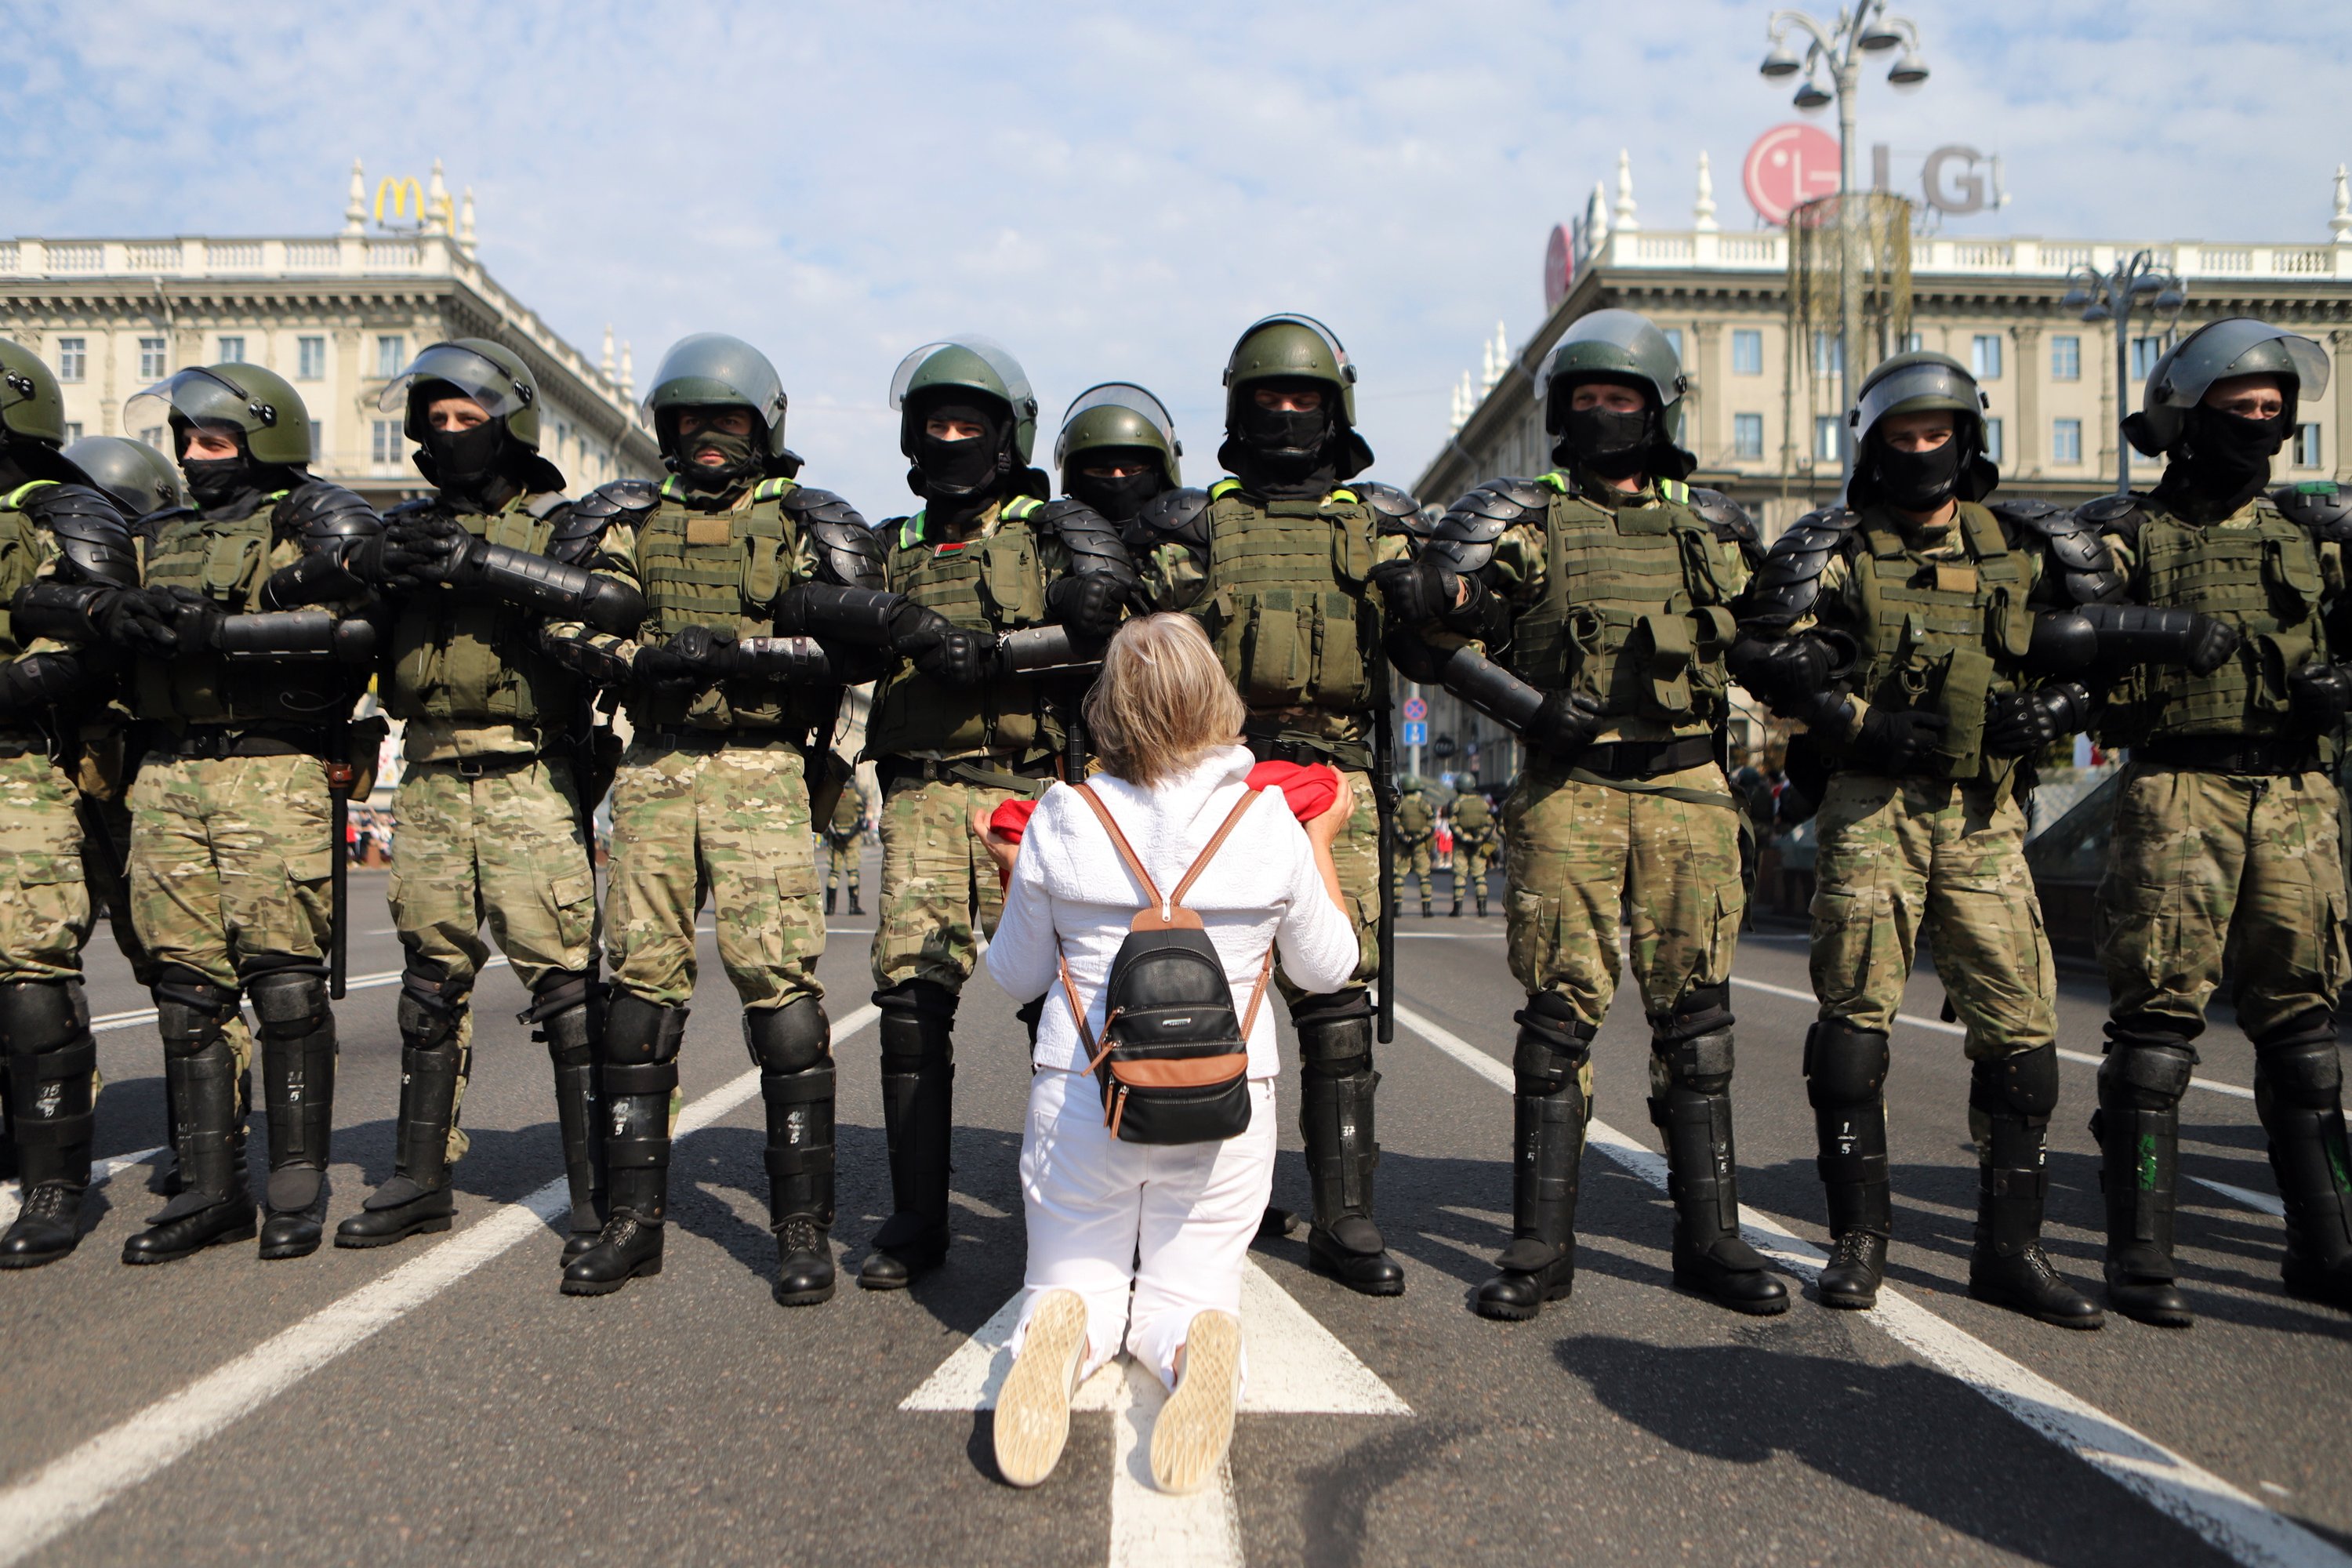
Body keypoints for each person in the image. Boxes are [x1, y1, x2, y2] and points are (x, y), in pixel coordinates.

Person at [1734, 349, 2231, 1327]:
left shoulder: (2022, 545)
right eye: (1904, 437)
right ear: (1876, 447)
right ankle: (1860, 1239)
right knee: (1852, 1033)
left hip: (1982, 815)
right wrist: (1855, 722)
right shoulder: (1839, 548)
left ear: (1968, 441)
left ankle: (2012, 1251)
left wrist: (2049, 712)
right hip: (1873, 809)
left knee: (2024, 1038)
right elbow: (1763, 655)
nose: (1922, 452)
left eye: (1937, 434)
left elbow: (2100, 652)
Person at [1386, 308, 1783, 1319]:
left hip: (1692, 787)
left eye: (1623, 399)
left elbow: (1783, 637)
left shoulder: (1713, 526)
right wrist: (1525, 705)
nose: (1604, 415)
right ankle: (1539, 1245)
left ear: (1659, 410)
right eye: (1587, 400)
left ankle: (1713, 1237)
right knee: (1559, 1017)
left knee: (1696, 1019)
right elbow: (1425, 626)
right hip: (1573, 787)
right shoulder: (1526, 519)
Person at [544, 333, 918, 1305]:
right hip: (658, 762)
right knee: (638, 995)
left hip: (759, 769)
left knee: (783, 1000)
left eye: (730, 421)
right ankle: (634, 1220)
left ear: (765, 426)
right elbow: (569, 616)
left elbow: (851, 634)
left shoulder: (798, 519)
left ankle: (801, 1224)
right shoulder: (631, 518)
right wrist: (632, 665)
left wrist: (742, 653)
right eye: (693, 422)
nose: (710, 439)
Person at [979, 613, 1359, 1494]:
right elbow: (1330, 966)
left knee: (1074, 1271)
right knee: (1191, 1287)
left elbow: (1014, 973)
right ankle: (1198, 1337)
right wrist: (1322, 840)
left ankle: (1062, 1328)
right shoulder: (1266, 820)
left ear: (1107, 709)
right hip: (1227, 1104)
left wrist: (1009, 865)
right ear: (1217, 699)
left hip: (1085, 1096)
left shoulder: (1065, 815)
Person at [45, 361, 387, 1264]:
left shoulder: (312, 517)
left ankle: (295, 1180)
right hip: (165, 770)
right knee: (188, 988)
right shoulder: (155, 532)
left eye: (216, 440)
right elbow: (52, 590)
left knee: (283, 981)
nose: (196, 457)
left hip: (269, 767)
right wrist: (117, 611)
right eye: (187, 441)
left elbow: (357, 625)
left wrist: (222, 633)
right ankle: (209, 1186)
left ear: (264, 438)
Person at [330, 339, 644, 1257]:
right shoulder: (408, 526)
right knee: (428, 986)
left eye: (469, 418)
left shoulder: (560, 523)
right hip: (425, 771)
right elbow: (356, 640)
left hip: (526, 770)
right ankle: (421, 1177)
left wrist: (480, 565)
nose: (450, 433)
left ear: (510, 424)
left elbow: (614, 603)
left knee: (564, 986)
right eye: (437, 419)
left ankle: (594, 1189)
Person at [1132, 314, 1419, 1294]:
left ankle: (1345, 1214)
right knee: (1203, 998)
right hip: (1218, 779)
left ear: (1336, 411)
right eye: (1268, 399)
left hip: (1336, 775)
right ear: (1237, 410)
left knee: (1337, 999)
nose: (1286, 415)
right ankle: (1207, 1202)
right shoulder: (1195, 524)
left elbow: (1444, 624)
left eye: (1304, 399)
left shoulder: (1380, 526)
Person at [859, 336, 1143, 1291]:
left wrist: (999, 657)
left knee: (1060, 1008)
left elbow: (1110, 622)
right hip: (923, 791)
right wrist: (890, 620)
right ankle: (915, 1221)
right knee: (911, 1000)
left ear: (1004, 436)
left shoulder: (1055, 526)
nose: (949, 440)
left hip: (1030, 792)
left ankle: (1074, 1209)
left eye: (967, 426)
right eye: (935, 423)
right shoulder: (892, 543)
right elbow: (816, 605)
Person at [2084, 318, 2352, 1321]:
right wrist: (2155, 630)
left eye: (2274, 412)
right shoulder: (2124, 535)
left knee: (2306, 1037)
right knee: (2155, 1032)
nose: (2262, 428)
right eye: (2239, 412)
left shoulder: (2320, 535)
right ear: (2186, 420)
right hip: (2177, 790)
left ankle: (2328, 1247)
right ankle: (2140, 1255)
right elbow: (2059, 638)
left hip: (2295, 794)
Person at [0, 341, 147, 1265]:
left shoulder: (62, 510)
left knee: (29, 963)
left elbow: (100, 642)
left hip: (24, 761)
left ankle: (54, 1180)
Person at [822, 775, 869, 917]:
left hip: (836, 837)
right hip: (852, 837)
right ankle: (853, 907)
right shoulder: (856, 796)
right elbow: (861, 818)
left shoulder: (834, 796)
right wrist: (851, 834)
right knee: (853, 871)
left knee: (834, 872)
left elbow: (826, 817)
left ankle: (830, 908)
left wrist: (836, 834)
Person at [1391, 776, 1436, 918]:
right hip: (1420, 844)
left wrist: (1403, 836)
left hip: (1402, 844)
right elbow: (1431, 822)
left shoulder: (1401, 803)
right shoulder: (1423, 803)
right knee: (1424, 876)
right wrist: (1420, 836)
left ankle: (1397, 909)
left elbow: (1394, 821)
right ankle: (1426, 908)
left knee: (1399, 876)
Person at [1449, 786, 1496, 917]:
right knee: (1480, 876)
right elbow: (1490, 822)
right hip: (1479, 844)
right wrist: (1480, 837)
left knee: (1459, 875)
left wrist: (1463, 837)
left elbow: (1452, 823)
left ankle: (1457, 909)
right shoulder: (1483, 802)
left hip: (1460, 845)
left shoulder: (1457, 802)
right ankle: (1482, 909)